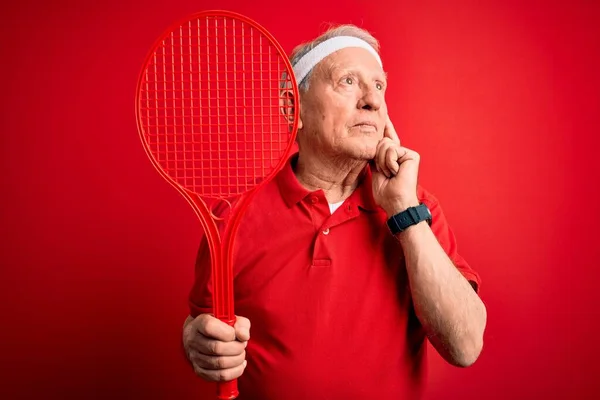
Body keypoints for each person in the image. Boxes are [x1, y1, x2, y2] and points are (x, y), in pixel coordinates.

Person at [182, 24, 487, 399]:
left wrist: (404, 212)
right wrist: (194, 341)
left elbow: (466, 346)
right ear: (293, 107)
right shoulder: (233, 217)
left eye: (378, 86)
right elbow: (203, 320)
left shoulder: (418, 209)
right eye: (347, 81)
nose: (372, 101)